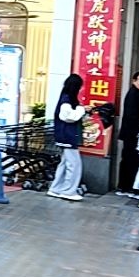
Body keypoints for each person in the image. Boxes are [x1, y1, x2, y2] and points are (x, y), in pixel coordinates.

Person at [48, 73, 88, 202]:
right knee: (74, 164)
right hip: (68, 136)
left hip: (64, 136)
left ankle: (56, 188)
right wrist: (82, 109)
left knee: (65, 163)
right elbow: (68, 116)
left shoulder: (65, 98)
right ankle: (68, 191)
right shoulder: (66, 100)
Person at [116, 70, 139, 196]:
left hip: (132, 133)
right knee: (131, 159)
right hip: (132, 133)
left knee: (128, 159)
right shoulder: (135, 94)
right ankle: (129, 187)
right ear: (134, 81)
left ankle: (124, 187)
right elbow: (132, 116)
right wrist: (138, 132)